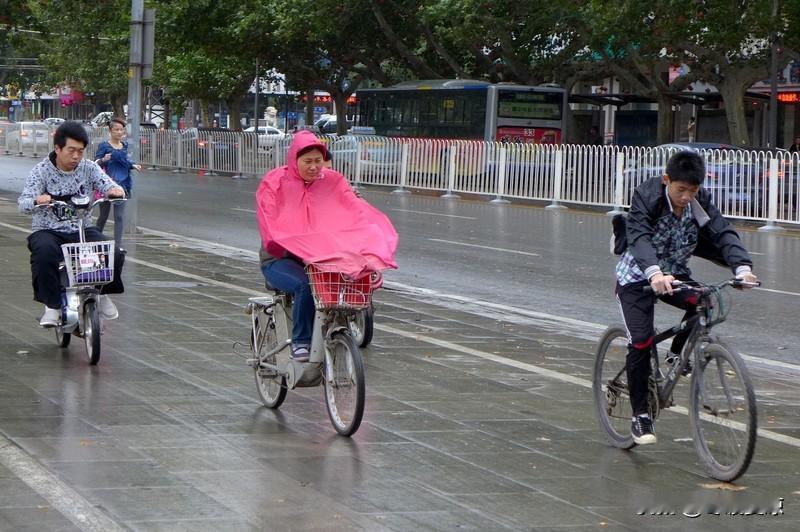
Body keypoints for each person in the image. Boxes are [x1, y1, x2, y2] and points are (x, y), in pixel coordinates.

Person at [614, 150, 758, 445]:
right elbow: (639, 237)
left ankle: (675, 354)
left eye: (692, 191)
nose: (686, 197)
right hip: (638, 278)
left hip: (675, 275)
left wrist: (743, 269)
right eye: (681, 190)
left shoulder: (698, 201)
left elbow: (722, 232)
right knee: (641, 340)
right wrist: (654, 274)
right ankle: (640, 416)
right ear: (667, 180)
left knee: (705, 301)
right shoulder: (647, 196)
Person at [256, 131, 398, 361]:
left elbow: (351, 210)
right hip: (280, 259)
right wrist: (289, 241)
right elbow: (269, 220)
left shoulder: (331, 181)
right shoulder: (276, 182)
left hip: (319, 257)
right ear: (294, 160)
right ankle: (301, 342)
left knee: (345, 281)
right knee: (304, 286)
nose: (314, 167)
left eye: (318, 161)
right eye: (307, 161)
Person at [18, 121, 127, 327]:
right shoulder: (41, 171)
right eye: (71, 150)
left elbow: (108, 184)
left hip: (81, 229)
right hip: (48, 231)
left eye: (80, 151)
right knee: (44, 254)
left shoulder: (88, 168)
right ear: (58, 148)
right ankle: (52, 306)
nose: (76, 156)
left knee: (114, 253)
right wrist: (37, 200)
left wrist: (115, 191)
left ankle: (102, 294)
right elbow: (23, 204)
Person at [94, 117, 141, 246]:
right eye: (116, 130)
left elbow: (124, 161)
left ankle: (118, 246)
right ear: (110, 131)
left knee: (119, 216)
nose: (119, 132)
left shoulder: (124, 145)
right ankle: (95, 241)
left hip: (122, 184)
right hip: (106, 185)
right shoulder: (104, 145)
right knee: (103, 216)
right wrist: (104, 159)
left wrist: (133, 165)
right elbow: (95, 163)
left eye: (122, 130)